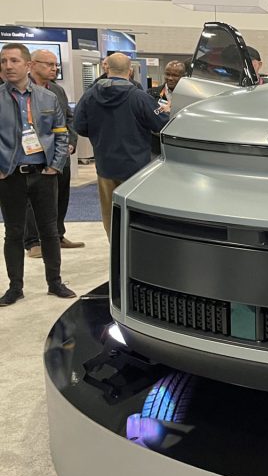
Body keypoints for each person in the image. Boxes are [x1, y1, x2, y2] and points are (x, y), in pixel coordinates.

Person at [0, 43, 76, 306]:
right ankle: (15, 287)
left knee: (50, 232)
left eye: (13, 61)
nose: (8, 66)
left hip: (43, 174)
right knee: (14, 233)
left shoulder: (48, 97)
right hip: (10, 176)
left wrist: (55, 165)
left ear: (27, 65)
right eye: (3, 61)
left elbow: (60, 132)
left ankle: (55, 283)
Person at [73, 53, 168, 240]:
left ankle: (115, 250)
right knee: (137, 213)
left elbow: (79, 126)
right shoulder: (140, 97)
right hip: (136, 167)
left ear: (106, 69)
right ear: (130, 70)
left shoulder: (90, 95)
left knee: (109, 214)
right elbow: (161, 124)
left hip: (104, 165)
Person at [24, 49, 85, 257]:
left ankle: (57, 235)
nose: (54, 68)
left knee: (61, 195)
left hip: (60, 154)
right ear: (31, 65)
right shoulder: (20, 91)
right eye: (49, 64)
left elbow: (70, 119)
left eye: (55, 65)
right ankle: (33, 242)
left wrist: (70, 142)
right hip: (32, 155)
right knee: (32, 200)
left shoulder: (57, 91)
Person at [146, 60, 186, 155]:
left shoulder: (188, 97)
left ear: (183, 77)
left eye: (175, 75)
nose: (170, 78)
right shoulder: (151, 93)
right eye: (167, 74)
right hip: (156, 146)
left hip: (179, 145)